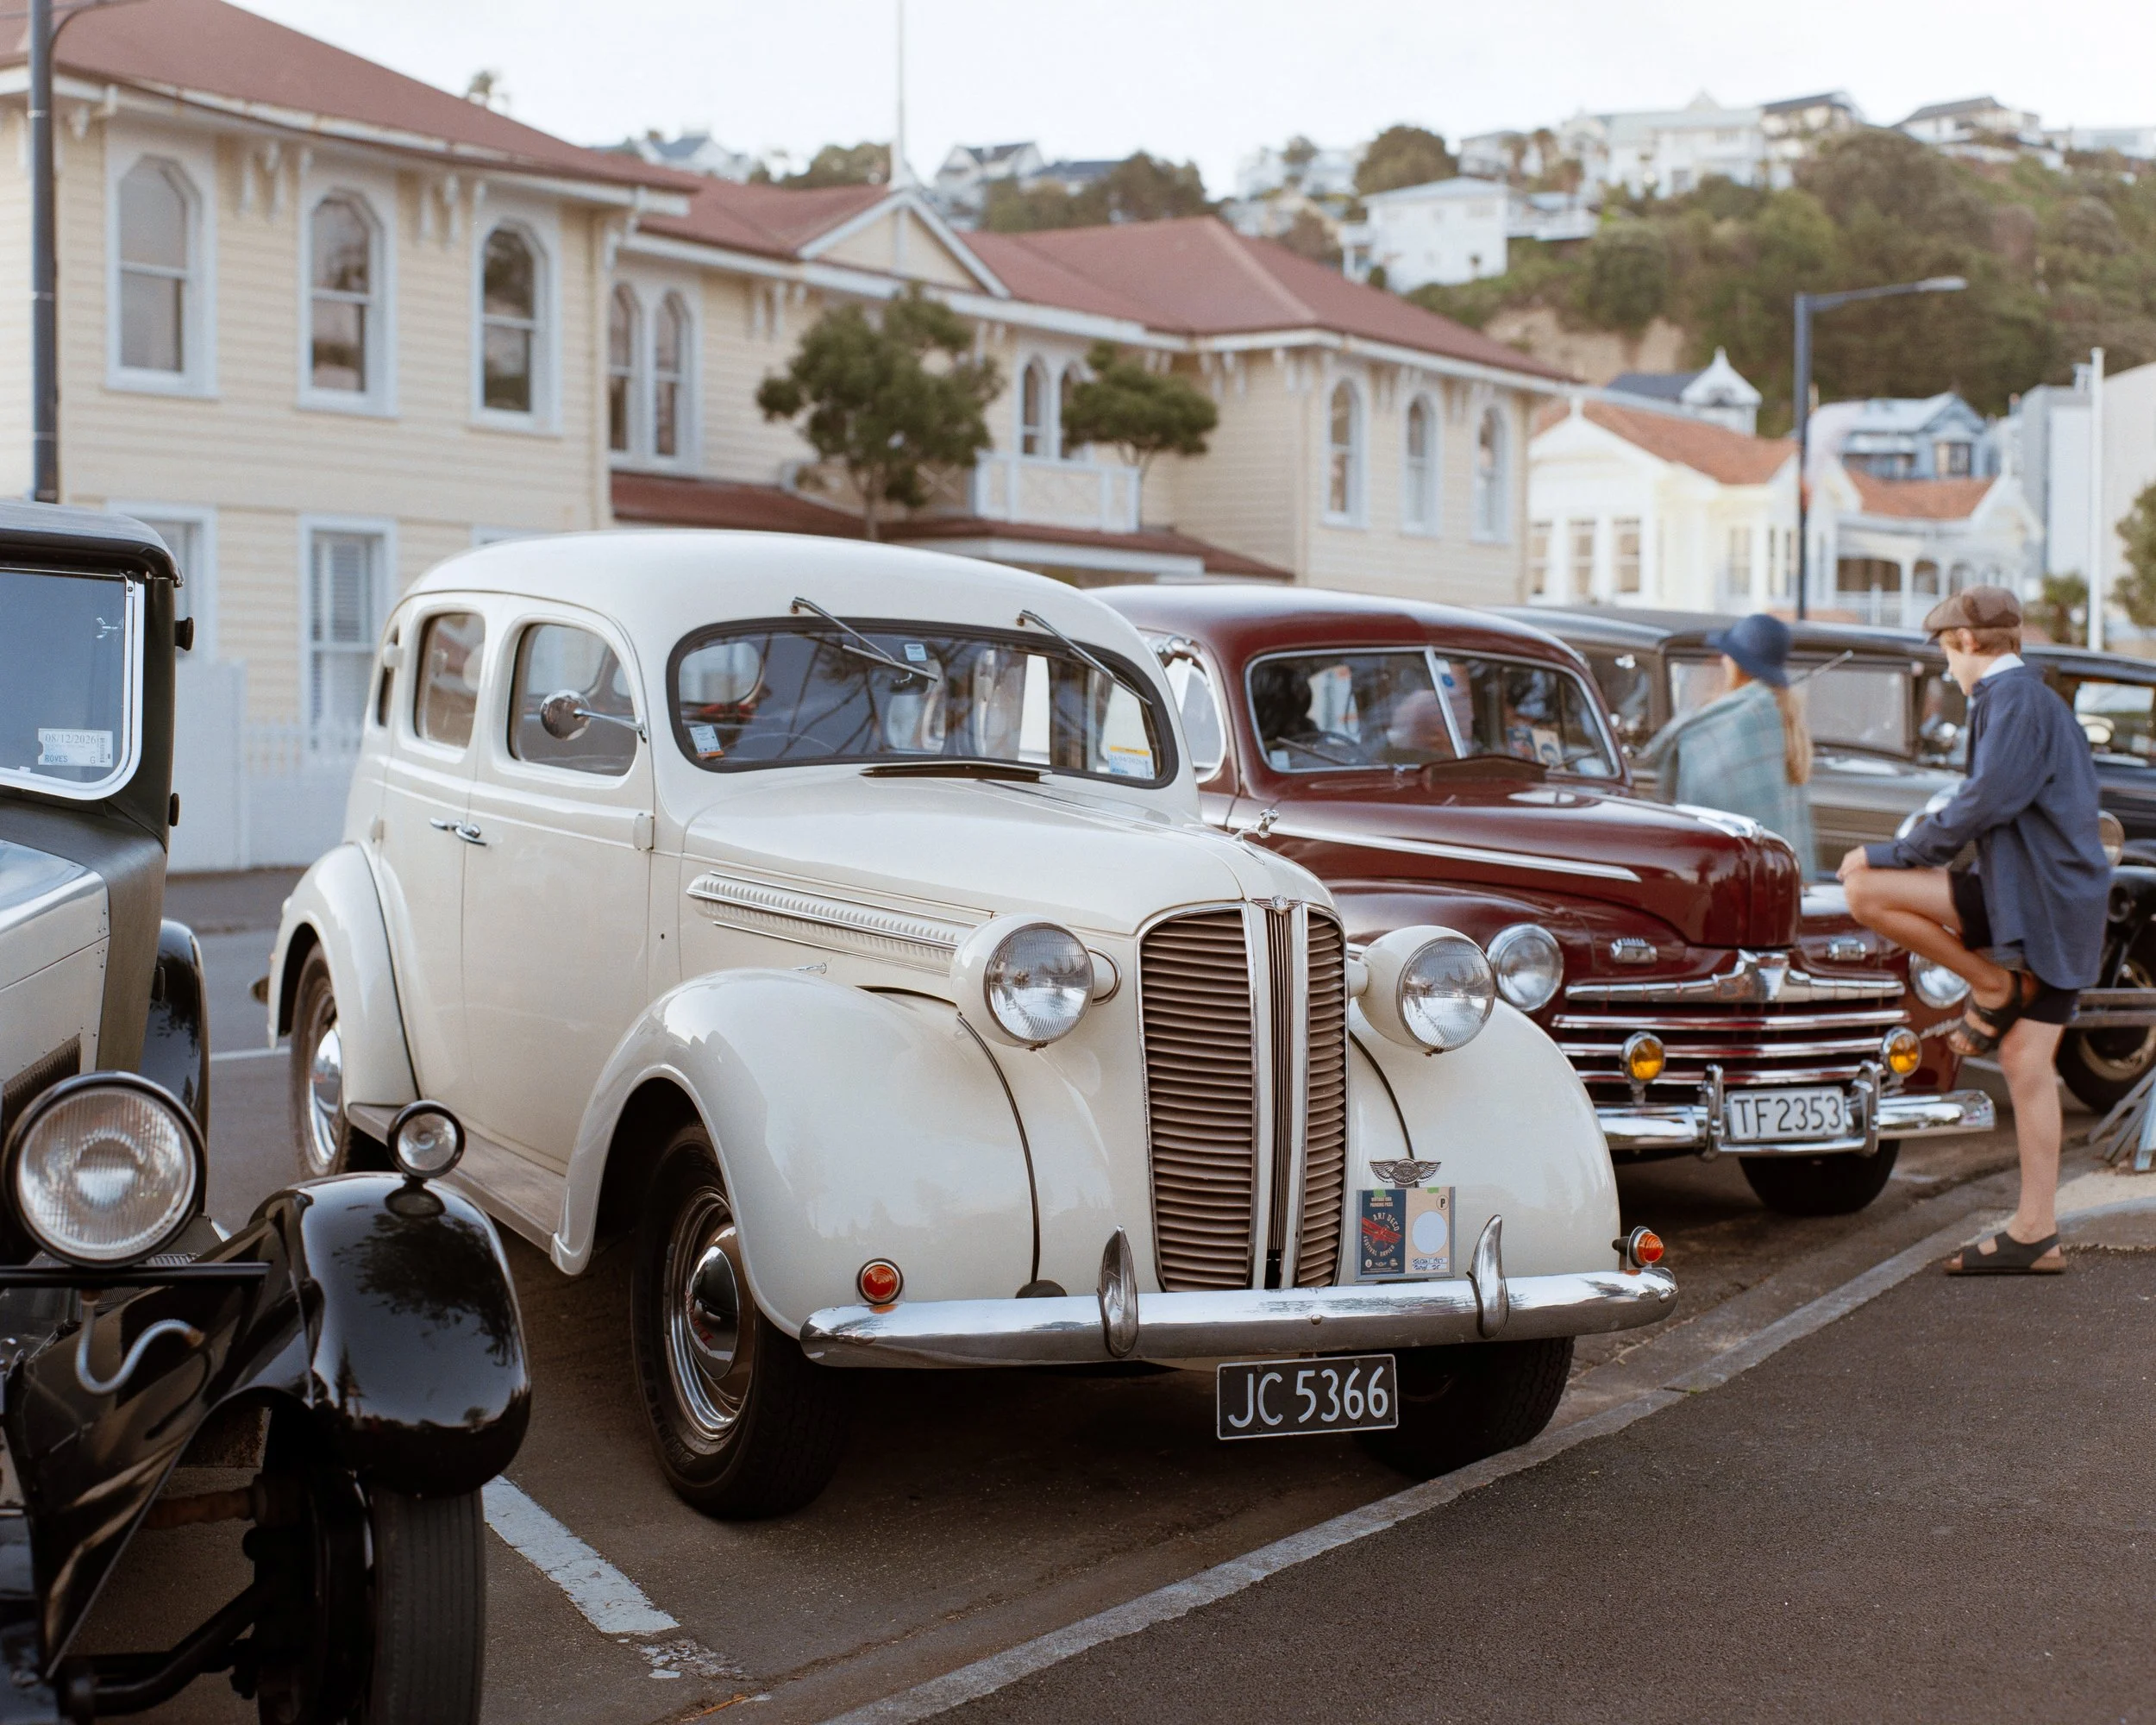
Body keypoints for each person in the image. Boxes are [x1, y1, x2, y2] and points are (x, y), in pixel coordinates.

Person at [1838, 586, 2107, 1276]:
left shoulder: (2010, 701)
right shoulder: (2031, 700)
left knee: (1863, 886)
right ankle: (2037, 1231)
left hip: (2034, 904)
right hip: (2056, 904)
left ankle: (1989, 984)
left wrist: (1896, 852)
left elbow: (1987, 799)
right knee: (2024, 1063)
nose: (1948, 671)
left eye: (1945, 655)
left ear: (1964, 643)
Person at [1637, 612, 1817, 869]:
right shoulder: (1781, 710)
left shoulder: (1736, 722)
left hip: (1732, 868)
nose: (1723, 660)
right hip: (1778, 869)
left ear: (1736, 664)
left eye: (1727, 654)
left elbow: (1702, 796)